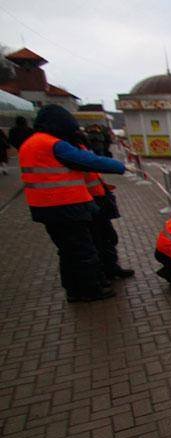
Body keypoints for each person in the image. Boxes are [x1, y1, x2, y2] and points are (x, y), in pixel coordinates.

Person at [19, 105, 127, 302]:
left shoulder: (31, 144)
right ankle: (90, 289)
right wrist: (121, 166)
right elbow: (86, 160)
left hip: (46, 207)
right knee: (82, 250)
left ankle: (75, 289)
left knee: (68, 252)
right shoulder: (53, 144)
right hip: (65, 206)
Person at [73, 131, 134, 280]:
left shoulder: (76, 148)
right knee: (95, 240)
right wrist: (120, 167)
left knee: (107, 237)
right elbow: (95, 162)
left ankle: (110, 268)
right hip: (84, 202)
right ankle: (98, 275)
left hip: (95, 199)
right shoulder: (70, 149)